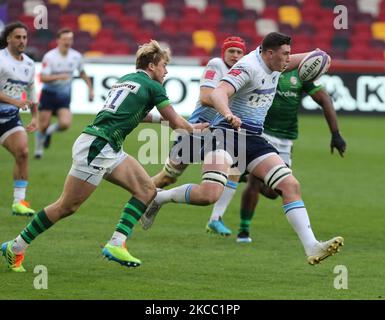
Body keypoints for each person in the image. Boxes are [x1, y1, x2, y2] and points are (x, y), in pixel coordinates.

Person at [1, 40, 208, 272]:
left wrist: (176, 123)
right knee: (66, 206)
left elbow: (135, 115)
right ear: (151, 66)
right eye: (163, 66)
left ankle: (117, 242)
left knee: (146, 189)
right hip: (98, 147)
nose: (166, 71)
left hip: (107, 146)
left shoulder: (126, 80)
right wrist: (194, 130)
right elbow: (176, 122)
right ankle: (16, 246)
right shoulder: (154, 87)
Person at [142, 32, 344, 265]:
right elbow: (218, 92)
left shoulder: (277, 61)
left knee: (290, 185)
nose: (289, 58)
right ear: (269, 54)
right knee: (209, 195)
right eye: (285, 54)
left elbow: (307, 58)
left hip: (253, 138)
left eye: (290, 53)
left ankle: (311, 246)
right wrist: (228, 114)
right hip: (225, 134)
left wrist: (321, 56)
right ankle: (159, 198)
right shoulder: (248, 67)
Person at [147, 36, 247, 236]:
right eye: (231, 51)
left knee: (235, 168)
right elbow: (205, 96)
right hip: (198, 128)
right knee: (168, 177)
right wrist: (229, 108)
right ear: (223, 52)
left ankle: (215, 218)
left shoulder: (244, 72)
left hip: (222, 132)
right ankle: (136, 200)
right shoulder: (216, 65)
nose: (235, 56)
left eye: (239, 52)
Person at [236, 68, 347, 243]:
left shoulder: (302, 73)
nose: (286, 56)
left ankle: (248, 173)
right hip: (262, 132)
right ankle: (244, 230)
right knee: (255, 183)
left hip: (286, 139)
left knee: (275, 191)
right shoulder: (265, 70)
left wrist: (335, 133)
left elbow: (324, 99)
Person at [34, 27, 94, 159]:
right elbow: (42, 78)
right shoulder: (50, 57)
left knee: (65, 123)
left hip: (64, 96)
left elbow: (82, 73)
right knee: (42, 125)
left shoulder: (76, 56)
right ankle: (38, 150)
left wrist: (90, 89)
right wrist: (59, 76)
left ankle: (50, 131)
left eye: (70, 39)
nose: (67, 42)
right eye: (65, 39)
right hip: (48, 94)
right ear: (58, 41)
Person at [0, 21, 38, 216]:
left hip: (8, 119)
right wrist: (15, 101)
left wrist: (35, 117)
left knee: (22, 152)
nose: (22, 41)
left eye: (24, 37)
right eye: (17, 37)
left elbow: (31, 91)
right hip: (11, 108)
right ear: (8, 38)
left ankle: (19, 201)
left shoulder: (29, 64)